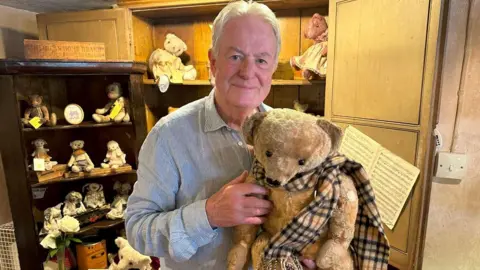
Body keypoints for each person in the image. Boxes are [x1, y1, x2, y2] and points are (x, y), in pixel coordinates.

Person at [126, 1, 316, 269]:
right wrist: (209, 214)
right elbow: (137, 230)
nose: (248, 72)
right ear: (213, 62)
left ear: (272, 67)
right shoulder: (167, 136)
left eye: (261, 59)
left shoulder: (295, 137)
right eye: (235, 56)